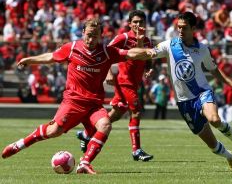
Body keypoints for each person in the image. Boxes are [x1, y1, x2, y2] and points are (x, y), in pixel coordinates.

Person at [1, 18, 146, 174]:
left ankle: (84, 163)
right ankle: (19, 144)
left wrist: (152, 51)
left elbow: (131, 53)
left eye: (95, 36)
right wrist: (29, 60)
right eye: (89, 35)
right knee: (53, 131)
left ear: (100, 36)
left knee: (105, 125)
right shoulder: (72, 48)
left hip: (94, 105)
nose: (91, 39)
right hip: (73, 102)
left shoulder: (107, 52)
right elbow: (51, 57)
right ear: (83, 32)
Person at [125, 11, 232, 171]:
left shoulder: (202, 49)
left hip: (202, 92)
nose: (180, 30)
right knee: (212, 145)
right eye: (178, 27)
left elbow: (214, 70)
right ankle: (230, 157)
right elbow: (144, 54)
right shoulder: (169, 45)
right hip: (184, 102)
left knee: (214, 119)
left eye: (184, 28)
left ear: (193, 29)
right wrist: (143, 49)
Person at [76, 10, 154, 162]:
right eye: (135, 22)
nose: (138, 25)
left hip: (134, 83)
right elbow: (106, 52)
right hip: (124, 81)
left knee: (117, 112)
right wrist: (108, 73)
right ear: (130, 24)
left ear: (145, 23)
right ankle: (136, 150)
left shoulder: (147, 41)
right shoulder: (123, 37)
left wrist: (147, 68)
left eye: (141, 22)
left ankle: (86, 134)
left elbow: (145, 56)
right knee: (135, 112)